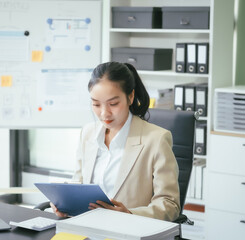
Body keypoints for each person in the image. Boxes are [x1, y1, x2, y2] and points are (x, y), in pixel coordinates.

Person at [52, 62, 180, 221]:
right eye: (96, 104)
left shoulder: (156, 139)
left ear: (130, 97)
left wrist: (130, 214)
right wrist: (65, 203)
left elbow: (170, 205)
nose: (104, 113)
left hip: (128, 232)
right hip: (87, 226)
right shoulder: (88, 133)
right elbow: (78, 183)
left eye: (113, 104)